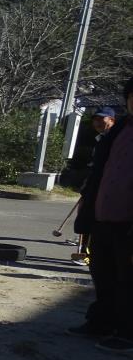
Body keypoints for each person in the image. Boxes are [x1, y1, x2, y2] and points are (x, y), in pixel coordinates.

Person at [68, 77, 133, 354]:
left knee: (127, 278)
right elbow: (99, 174)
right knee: (102, 273)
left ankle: (127, 333)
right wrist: (87, 214)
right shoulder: (119, 131)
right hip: (104, 216)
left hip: (129, 222)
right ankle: (101, 322)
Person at [73, 107, 117, 264]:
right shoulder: (101, 139)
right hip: (96, 183)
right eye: (95, 119)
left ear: (112, 120)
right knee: (86, 215)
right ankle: (85, 252)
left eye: (102, 119)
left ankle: (90, 254)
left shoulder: (115, 140)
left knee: (97, 219)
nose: (97, 122)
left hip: (109, 186)